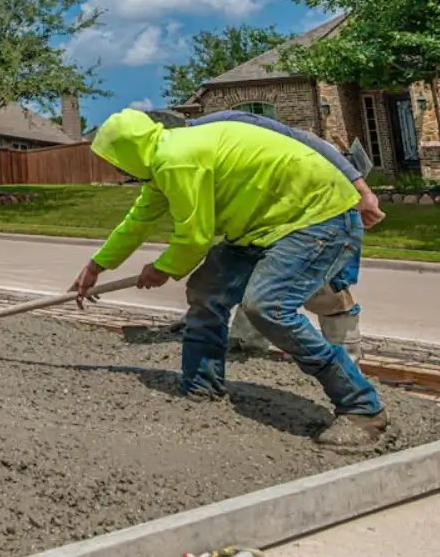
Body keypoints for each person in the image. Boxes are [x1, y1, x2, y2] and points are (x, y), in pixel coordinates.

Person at [69, 109, 389, 447]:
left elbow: (194, 237)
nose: (116, 169)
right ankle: (202, 387)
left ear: (127, 153)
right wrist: (96, 266)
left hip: (316, 218)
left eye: (114, 161)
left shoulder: (177, 158)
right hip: (261, 226)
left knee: (268, 306)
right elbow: (136, 223)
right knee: (207, 291)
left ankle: (362, 409)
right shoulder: (163, 162)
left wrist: (162, 268)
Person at [146, 109, 382, 358]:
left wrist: (362, 190)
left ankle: (345, 357)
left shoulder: (231, 123)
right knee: (252, 277)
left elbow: (311, 143)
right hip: (265, 216)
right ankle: (245, 345)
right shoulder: (189, 159)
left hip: (315, 205)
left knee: (323, 287)